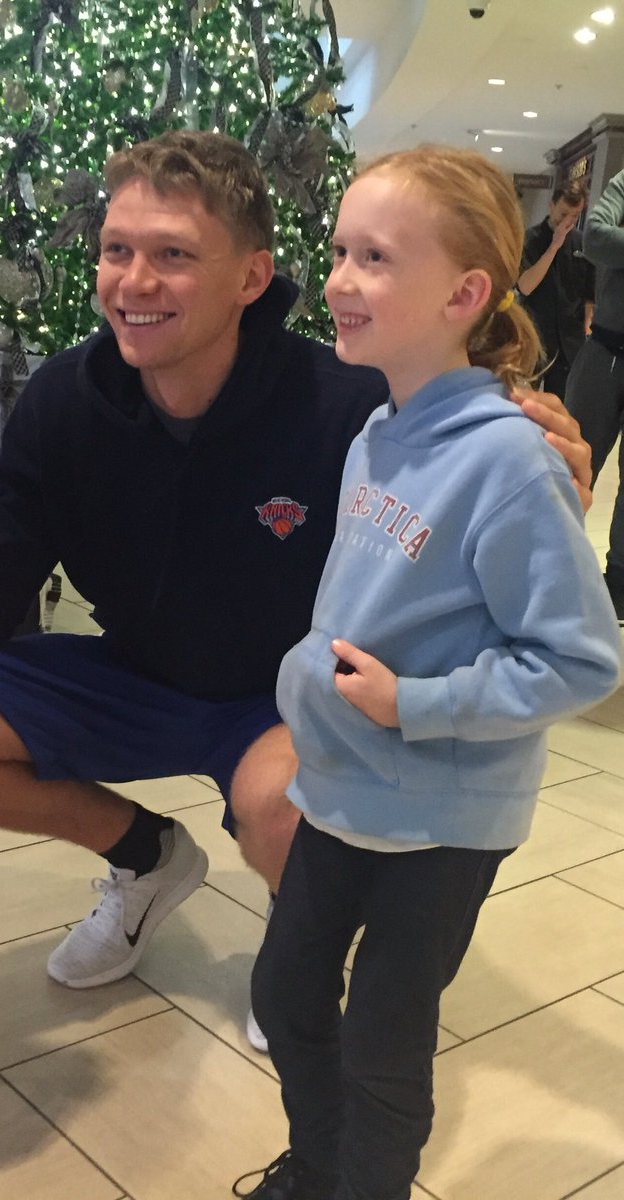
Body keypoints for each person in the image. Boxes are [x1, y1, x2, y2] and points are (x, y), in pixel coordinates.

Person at [0, 134, 591, 1041]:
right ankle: (146, 860)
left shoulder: (353, 401)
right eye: (116, 250)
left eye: (172, 256)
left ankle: (299, 958)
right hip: (131, 671)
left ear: (251, 278)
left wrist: (532, 443)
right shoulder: (64, 400)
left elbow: (464, 487)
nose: (132, 280)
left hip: (282, 698)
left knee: (283, 811)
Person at [236, 146, 621, 1200]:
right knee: (286, 991)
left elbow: (583, 658)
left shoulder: (508, 461)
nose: (342, 281)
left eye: (376, 259)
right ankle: (319, 1168)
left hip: (443, 819)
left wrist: (418, 705)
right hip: (343, 786)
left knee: (382, 1045)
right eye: (342, 251)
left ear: (464, 294)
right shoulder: (379, 430)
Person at [563, 168, 624, 618]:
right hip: (605, 348)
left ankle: (619, 583)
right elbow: (596, 237)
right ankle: (548, 568)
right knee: (569, 464)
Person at [517, 178, 594, 400]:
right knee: (525, 404)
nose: (568, 222)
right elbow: (525, 287)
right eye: (563, 214)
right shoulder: (529, 239)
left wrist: (588, 328)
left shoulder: (582, 244)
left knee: (560, 410)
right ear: (551, 205)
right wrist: (554, 246)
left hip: (571, 343)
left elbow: (590, 296)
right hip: (535, 338)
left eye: (575, 216)